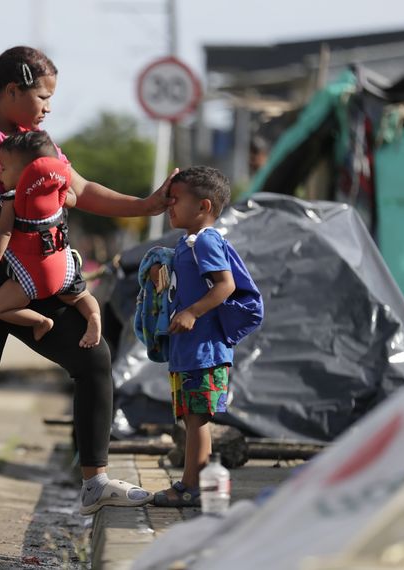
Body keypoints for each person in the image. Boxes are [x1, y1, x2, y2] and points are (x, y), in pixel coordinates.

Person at [0, 46, 171, 554]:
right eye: (43, 96)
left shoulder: (37, 143)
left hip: (33, 268)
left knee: (93, 358)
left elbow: (81, 188)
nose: (49, 107)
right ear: (11, 92)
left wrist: (147, 203)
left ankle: (95, 483)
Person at [148, 166, 237, 508]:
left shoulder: (207, 240)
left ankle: (192, 487)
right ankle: (193, 483)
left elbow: (225, 285)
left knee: (196, 419)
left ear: (202, 206)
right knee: (191, 417)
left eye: (176, 200)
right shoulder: (187, 242)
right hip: (189, 349)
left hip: (205, 350)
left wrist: (191, 313)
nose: (169, 206)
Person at [0, 130, 102, 348]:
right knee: (81, 296)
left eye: (4, 167)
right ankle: (93, 316)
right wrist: (60, 189)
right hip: (65, 270)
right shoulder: (57, 192)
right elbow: (73, 200)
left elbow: (4, 232)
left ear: (28, 173)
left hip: (34, 277)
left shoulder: (12, 198)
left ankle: (40, 321)